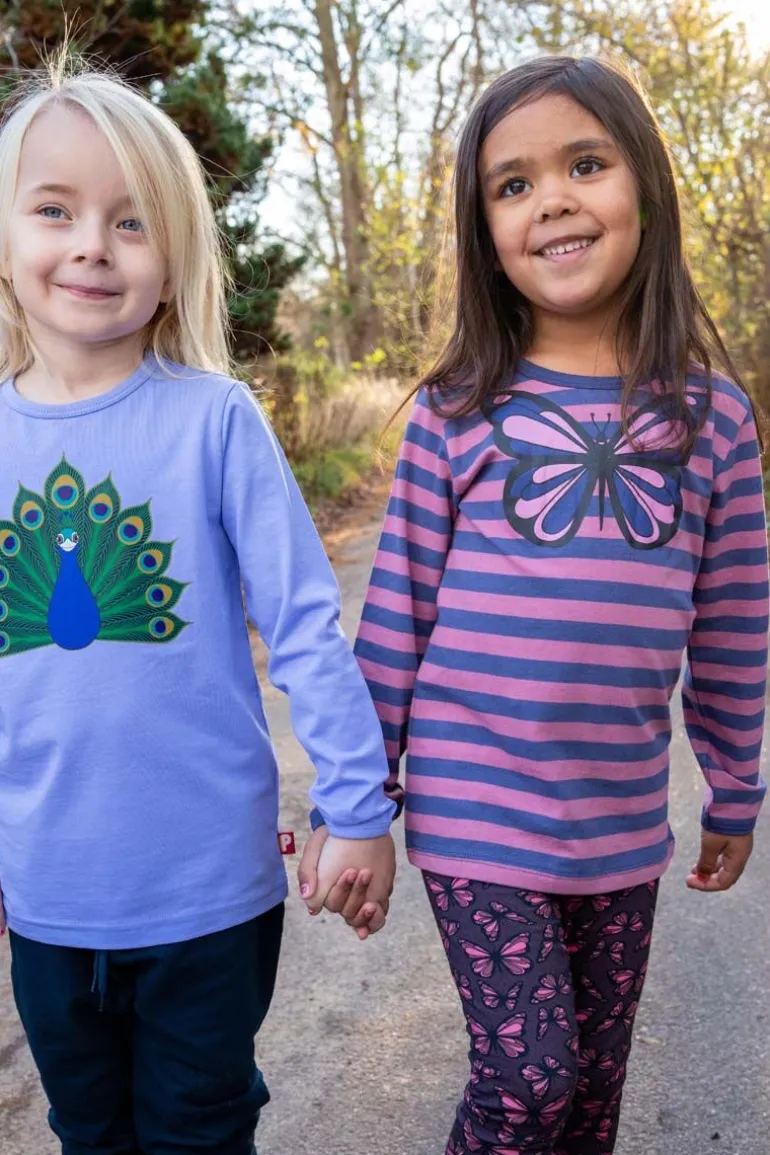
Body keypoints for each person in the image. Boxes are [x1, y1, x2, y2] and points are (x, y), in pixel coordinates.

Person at [352, 56, 769, 1155]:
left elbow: (732, 625)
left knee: (590, 1101)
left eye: (585, 165)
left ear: (646, 190)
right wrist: (358, 802)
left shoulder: (712, 419)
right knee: (529, 1082)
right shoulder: (458, 410)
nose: (552, 201)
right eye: (513, 183)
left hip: (619, 821)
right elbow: (394, 617)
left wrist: (734, 786)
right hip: (476, 802)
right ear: (485, 231)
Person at [0, 53, 395, 1155]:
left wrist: (358, 808)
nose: (92, 243)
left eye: (131, 221)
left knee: (197, 1130)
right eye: (54, 209)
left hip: (209, 894)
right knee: (88, 1133)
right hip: (47, 895)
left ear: (174, 261)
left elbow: (304, 623)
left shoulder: (214, 420)